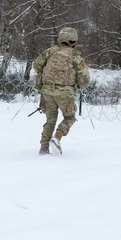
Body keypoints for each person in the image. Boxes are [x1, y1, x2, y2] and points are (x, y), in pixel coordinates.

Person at [32, 26, 90, 155]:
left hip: (47, 91)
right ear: (73, 41)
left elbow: (36, 65)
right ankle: (57, 137)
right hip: (65, 92)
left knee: (50, 120)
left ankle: (44, 148)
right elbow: (84, 79)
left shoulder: (50, 52)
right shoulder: (75, 56)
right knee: (70, 117)